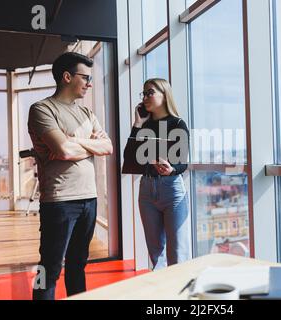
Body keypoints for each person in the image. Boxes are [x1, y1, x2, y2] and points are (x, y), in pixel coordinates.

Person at [28, 52, 113, 300]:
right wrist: (84, 144)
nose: (89, 83)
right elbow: (62, 150)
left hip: (89, 198)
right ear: (67, 77)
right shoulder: (42, 109)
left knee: (78, 264)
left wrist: (74, 140)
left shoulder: (87, 114)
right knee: (50, 267)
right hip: (60, 201)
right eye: (85, 77)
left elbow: (107, 147)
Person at [123, 78, 190, 270]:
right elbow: (129, 157)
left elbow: (182, 162)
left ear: (164, 94)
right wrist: (137, 124)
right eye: (143, 94)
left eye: (149, 92)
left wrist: (172, 168)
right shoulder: (144, 125)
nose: (145, 97)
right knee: (155, 252)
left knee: (178, 252)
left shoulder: (177, 123)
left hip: (172, 190)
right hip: (146, 189)